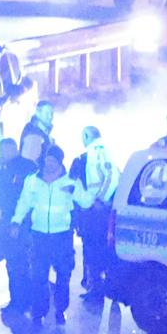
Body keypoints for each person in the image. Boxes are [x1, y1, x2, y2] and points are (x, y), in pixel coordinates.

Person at [12, 146, 92, 325]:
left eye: (53, 161)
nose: (49, 164)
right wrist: (16, 221)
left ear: (60, 162)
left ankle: (60, 311)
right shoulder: (32, 180)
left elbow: (86, 201)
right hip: (39, 236)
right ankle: (38, 312)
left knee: (63, 276)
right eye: (47, 160)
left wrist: (78, 190)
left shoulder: (69, 182)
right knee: (38, 277)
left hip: (61, 237)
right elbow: (24, 202)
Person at [70, 125, 117, 302]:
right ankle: (100, 287)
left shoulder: (95, 154)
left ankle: (96, 289)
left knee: (93, 251)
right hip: (99, 211)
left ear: (87, 136)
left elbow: (112, 178)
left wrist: (99, 200)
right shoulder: (105, 152)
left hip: (94, 212)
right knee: (100, 250)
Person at [0, 137, 37, 315]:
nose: (2, 154)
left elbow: (16, 198)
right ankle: (21, 301)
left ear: (12, 150)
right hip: (17, 223)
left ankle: (20, 302)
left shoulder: (20, 169)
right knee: (17, 264)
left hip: (19, 224)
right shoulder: (19, 167)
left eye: (4, 151)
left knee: (17, 264)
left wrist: (16, 223)